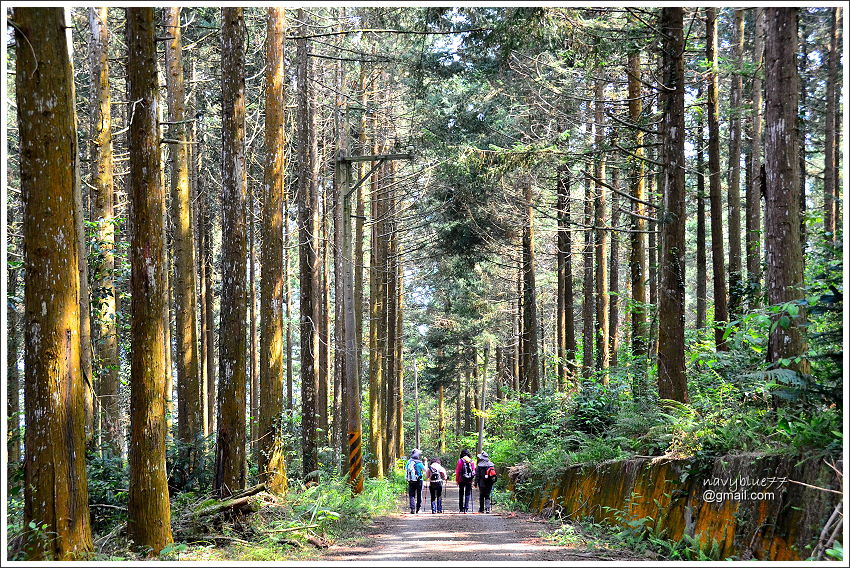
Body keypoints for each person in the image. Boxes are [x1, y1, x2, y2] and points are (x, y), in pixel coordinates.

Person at [405, 449, 426, 514]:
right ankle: (418, 509)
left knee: (411, 495)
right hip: (419, 480)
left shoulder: (409, 462)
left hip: (411, 480)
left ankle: (412, 509)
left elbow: (406, 470)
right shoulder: (419, 463)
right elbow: (425, 470)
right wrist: (425, 462)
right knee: (419, 494)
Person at [455, 448, 476, 513]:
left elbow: (458, 471)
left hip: (461, 479)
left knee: (461, 494)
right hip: (469, 480)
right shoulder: (471, 461)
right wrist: (472, 479)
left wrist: (457, 480)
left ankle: (461, 508)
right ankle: (466, 508)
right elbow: (473, 471)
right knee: (467, 494)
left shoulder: (460, 461)